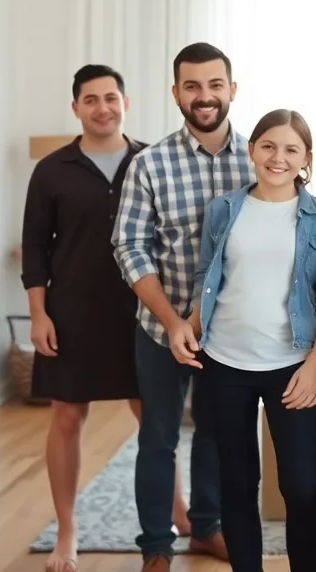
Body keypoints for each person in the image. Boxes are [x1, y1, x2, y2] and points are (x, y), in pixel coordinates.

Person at [23, 64, 189, 572]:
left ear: (127, 102)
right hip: (72, 313)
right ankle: (67, 533)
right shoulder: (51, 170)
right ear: (76, 108)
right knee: (68, 417)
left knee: (155, 419)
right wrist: (38, 315)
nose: (102, 107)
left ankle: (179, 519)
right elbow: (35, 248)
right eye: (90, 99)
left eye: (111, 97)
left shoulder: (152, 160)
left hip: (144, 311)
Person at [168, 108, 316, 572]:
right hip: (223, 363)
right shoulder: (224, 209)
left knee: (302, 486)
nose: (277, 158)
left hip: (292, 366)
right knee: (237, 482)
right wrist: (189, 326)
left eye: (290, 149)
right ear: (252, 149)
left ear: (306, 159)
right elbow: (208, 276)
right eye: (268, 146)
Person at [113, 42, 252, 572]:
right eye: (192, 86)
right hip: (160, 327)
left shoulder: (258, 157)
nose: (204, 96)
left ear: (232, 90)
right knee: (158, 439)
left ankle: (207, 528)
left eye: (215, 85)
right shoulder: (149, 164)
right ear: (175, 93)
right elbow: (129, 246)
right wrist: (172, 323)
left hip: (230, 333)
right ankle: (155, 546)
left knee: (217, 435)